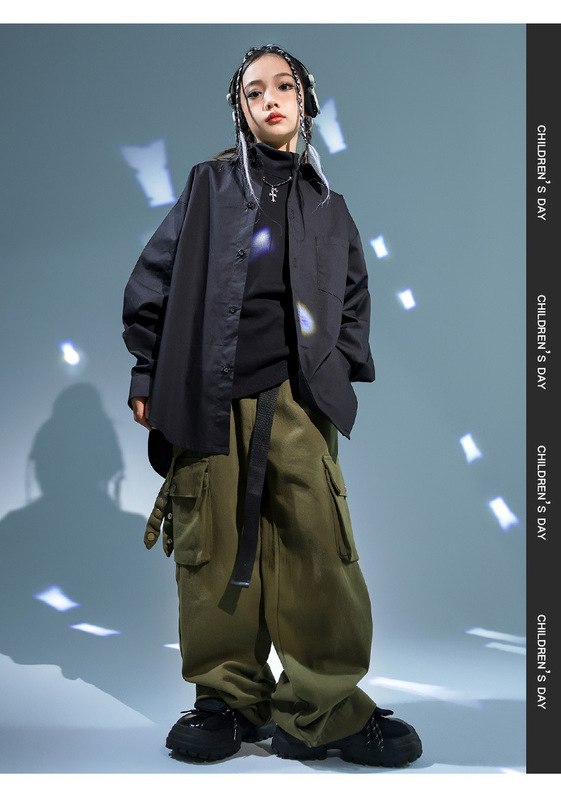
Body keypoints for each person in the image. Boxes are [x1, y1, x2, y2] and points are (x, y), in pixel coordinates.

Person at [122, 43, 422, 767]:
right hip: (208, 396)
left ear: (305, 101)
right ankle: (228, 700)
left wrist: (336, 369)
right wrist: (147, 373)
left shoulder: (330, 207)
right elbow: (153, 279)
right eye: (253, 92)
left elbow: (354, 296)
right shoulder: (208, 185)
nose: (269, 100)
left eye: (282, 86)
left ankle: (323, 707)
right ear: (241, 110)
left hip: (297, 402)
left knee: (319, 549)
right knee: (212, 549)